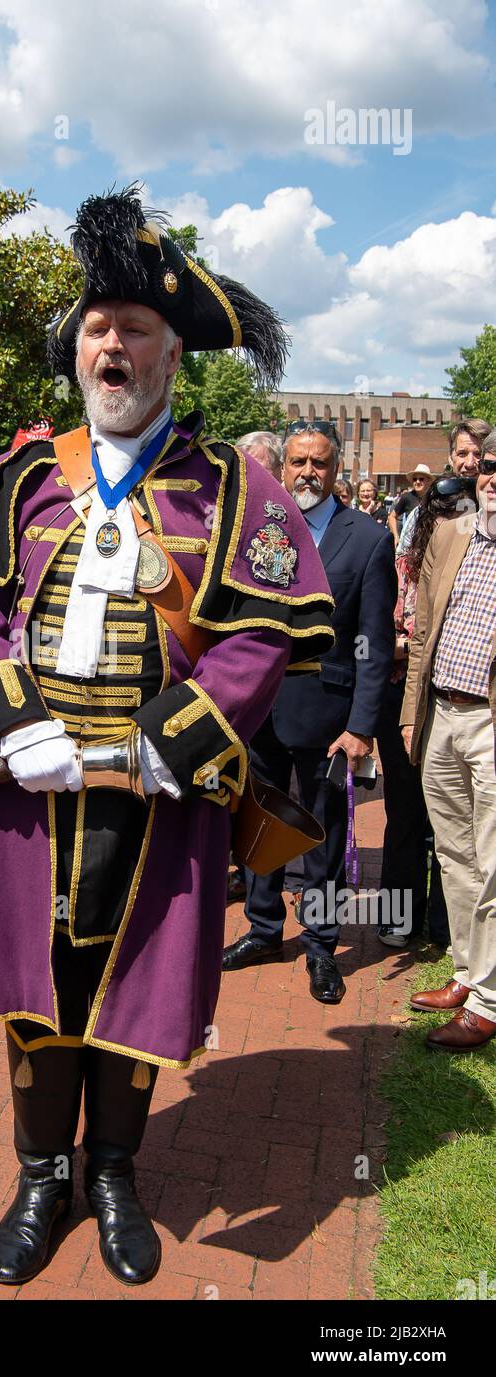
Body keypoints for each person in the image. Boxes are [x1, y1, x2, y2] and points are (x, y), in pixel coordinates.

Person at [0, 188, 334, 1286]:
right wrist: (10, 733)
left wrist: (164, 743)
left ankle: (111, 1171)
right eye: (97, 328)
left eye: (135, 330)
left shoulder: (233, 489)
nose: (113, 345)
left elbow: (257, 637)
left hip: (160, 797)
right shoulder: (12, 480)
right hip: (27, 794)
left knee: (133, 987)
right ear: (77, 352)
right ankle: (36, 1175)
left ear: (168, 358)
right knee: (35, 986)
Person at [223, 418, 397, 1004]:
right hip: (259, 709)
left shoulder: (367, 539)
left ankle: (321, 942)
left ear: (337, 468)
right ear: (283, 466)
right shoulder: (260, 530)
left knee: (322, 835)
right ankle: (264, 929)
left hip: (328, 718)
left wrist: (361, 727)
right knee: (261, 824)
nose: (306, 473)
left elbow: (373, 640)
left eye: (318, 463)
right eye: (297, 462)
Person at [400, 431, 496, 1052]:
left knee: (493, 867)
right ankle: (469, 973)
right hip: (441, 717)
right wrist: (411, 715)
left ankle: (489, 1000)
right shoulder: (454, 533)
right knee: (455, 856)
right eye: (489, 467)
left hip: (489, 724)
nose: (492, 478)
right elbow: (425, 632)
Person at [373, 476, 475, 949]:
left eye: (463, 510)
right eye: (444, 511)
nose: (454, 519)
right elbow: (379, 631)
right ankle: (398, 916)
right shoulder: (403, 566)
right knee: (405, 812)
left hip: (456, 700)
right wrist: (404, 646)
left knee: (452, 823)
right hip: (403, 698)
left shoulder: (480, 561)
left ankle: (445, 926)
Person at [387, 465, 432, 544]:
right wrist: (396, 536)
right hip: (411, 543)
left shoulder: (434, 497)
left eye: (421, 479)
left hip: (429, 541)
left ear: (428, 480)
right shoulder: (407, 497)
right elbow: (392, 516)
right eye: (415, 479)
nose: (417, 482)